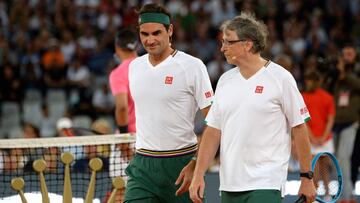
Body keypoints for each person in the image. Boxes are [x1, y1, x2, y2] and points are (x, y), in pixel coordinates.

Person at [189, 12, 316, 203]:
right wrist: (199, 173)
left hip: (266, 182)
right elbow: (213, 131)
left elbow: (299, 127)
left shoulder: (281, 78)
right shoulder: (224, 81)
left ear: (247, 44)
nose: (222, 48)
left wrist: (306, 178)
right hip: (229, 185)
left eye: (228, 42)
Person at [125, 3, 213, 202]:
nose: (150, 40)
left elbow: (214, 121)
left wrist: (196, 164)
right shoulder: (134, 67)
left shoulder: (193, 66)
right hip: (143, 165)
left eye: (156, 33)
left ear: (170, 30)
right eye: (144, 34)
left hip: (182, 165)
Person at [301, 70, 336, 199]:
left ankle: (327, 195)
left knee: (324, 169)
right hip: (313, 140)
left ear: (316, 81)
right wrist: (314, 138)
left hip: (323, 140)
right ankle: (314, 197)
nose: (306, 83)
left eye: (309, 80)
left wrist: (322, 137)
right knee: (314, 170)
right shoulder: (303, 96)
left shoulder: (327, 97)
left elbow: (330, 118)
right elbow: (303, 119)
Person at [109, 28, 138, 134]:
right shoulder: (149, 66)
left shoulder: (117, 74)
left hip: (131, 135)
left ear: (117, 47)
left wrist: (123, 135)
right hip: (151, 134)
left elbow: (122, 107)